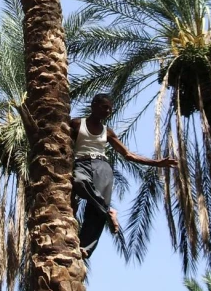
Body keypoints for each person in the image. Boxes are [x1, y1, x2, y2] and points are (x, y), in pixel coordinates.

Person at [71, 93, 178, 258]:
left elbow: (128, 155)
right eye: (104, 107)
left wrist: (156, 163)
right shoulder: (77, 124)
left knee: (94, 211)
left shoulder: (108, 132)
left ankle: (85, 247)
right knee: (79, 182)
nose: (108, 111)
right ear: (93, 105)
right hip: (82, 162)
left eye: (110, 109)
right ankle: (109, 212)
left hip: (102, 166)